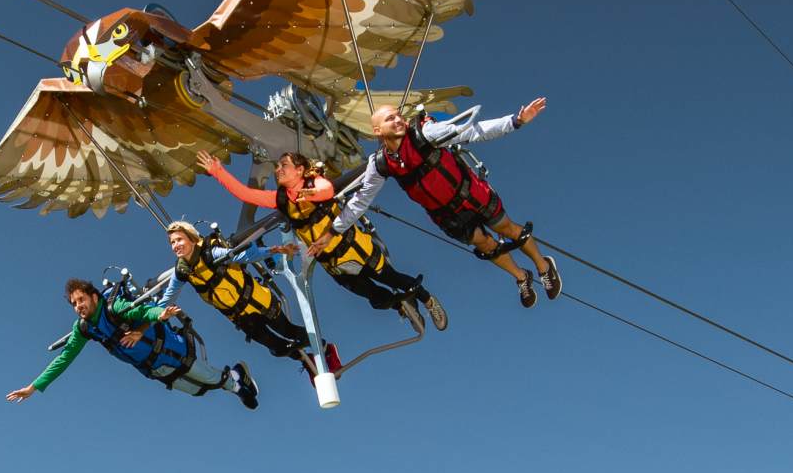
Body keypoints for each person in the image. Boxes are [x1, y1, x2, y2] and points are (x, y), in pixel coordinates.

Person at [335, 98, 561, 307]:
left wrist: (515, 121)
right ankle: (521, 276)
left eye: (398, 116)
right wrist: (334, 230)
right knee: (485, 245)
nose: (398, 120)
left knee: (506, 228)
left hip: (469, 193)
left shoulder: (424, 133)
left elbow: (470, 131)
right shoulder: (380, 163)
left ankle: (543, 266)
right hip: (447, 214)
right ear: (377, 131)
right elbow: (361, 200)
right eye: (390, 118)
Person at [195, 150, 445, 332]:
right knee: (375, 297)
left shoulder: (314, 182)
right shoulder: (280, 199)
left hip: (355, 250)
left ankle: (427, 299)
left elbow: (327, 190)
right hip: (334, 264)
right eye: (278, 166)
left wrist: (308, 193)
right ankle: (401, 306)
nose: (278, 169)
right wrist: (218, 171)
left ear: (300, 170)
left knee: (394, 278)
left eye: (284, 165)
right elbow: (246, 194)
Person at [7, 277, 257, 408]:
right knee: (198, 390)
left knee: (211, 378)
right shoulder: (83, 328)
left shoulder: (113, 307)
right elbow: (64, 358)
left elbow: (141, 311)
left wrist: (160, 314)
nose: (78, 306)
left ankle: (237, 379)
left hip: (170, 350)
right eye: (74, 304)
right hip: (152, 367)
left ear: (94, 297)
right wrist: (34, 387)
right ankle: (234, 381)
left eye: (81, 300)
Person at [163, 220, 314, 369]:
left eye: (179, 239)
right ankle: (305, 360)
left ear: (192, 239)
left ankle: (322, 345)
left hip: (258, 301)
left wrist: (275, 250)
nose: (175, 245)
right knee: (278, 347)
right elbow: (168, 297)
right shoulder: (182, 271)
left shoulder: (211, 253)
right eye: (172, 242)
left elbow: (243, 256)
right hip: (242, 317)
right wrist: (155, 313)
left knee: (288, 331)